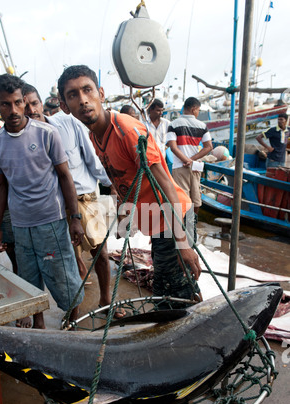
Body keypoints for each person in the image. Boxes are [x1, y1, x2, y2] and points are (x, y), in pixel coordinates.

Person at [57, 65, 202, 304]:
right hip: (157, 221)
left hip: (175, 217)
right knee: (176, 290)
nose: (83, 100)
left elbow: (165, 183)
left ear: (100, 94)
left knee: (173, 296)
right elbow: (122, 182)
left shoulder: (126, 130)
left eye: (87, 90)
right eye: (73, 95)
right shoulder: (95, 136)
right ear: (64, 106)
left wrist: (182, 242)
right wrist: (128, 223)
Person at [23, 83, 125, 317]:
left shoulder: (68, 123)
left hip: (87, 197)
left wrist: (112, 187)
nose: (30, 110)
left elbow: (91, 158)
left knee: (101, 253)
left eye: (34, 103)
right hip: (57, 205)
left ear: (42, 104)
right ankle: (74, 312)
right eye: (25, 105)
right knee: (69, 261)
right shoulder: (26, 139)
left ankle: (106, 301)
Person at [0, 73, 85, 328]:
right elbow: (0, 185)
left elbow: (65, 177)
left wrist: (74, 218)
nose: (14, 110)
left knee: (63, 276)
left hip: (51, 221)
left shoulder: (46, 134)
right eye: (5, 104)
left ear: (24, 100)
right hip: (21, 225)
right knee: (28, 276)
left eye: (18, 102)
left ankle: (73, 320)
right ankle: (39, 322)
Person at [166, 97, 213, 220]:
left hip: (179, 167)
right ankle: (193, 225)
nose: (198, 113)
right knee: (196, 199)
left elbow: (173, 147)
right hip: (195, 167)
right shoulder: (202, 126)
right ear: (193, 109)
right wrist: (192, 160)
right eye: (198, 110)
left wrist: (186, 160)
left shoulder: (173, 124)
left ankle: (181, 226)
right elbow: (208, 147)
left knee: (181, 199)